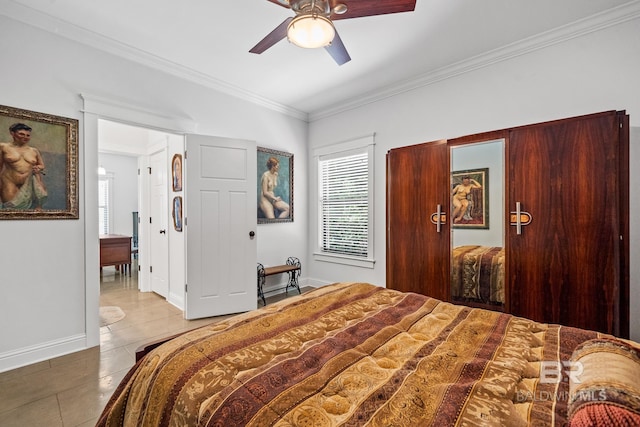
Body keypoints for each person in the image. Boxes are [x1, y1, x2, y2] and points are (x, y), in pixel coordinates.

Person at [0, 123, 47, 210]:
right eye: (21, 134)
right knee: (10, 210)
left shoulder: (34, 150)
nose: (25, 137)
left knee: (33, 211)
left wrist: (38, 168)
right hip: (9, 181)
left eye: (28, 135)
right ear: (12, 133)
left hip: (30, 184)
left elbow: (41, 165)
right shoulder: (3, 147)